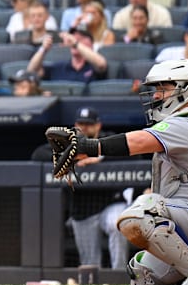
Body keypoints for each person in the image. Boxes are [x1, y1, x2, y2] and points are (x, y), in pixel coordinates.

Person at [53, 59, 188, 285]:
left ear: (185, 87)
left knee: (140, 212)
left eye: (163, 88)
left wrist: (89, 146)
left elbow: (137, 142)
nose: (156, 95)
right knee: (143, 281)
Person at [32, 107, 131, 270]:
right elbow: (37, 155)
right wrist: (72, 156)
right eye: (81, 123)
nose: (84, 127)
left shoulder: (107, 139)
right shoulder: (69, 143)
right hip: (82, 210)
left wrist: (100, 157)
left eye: (89, 124)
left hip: (111, 203)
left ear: (98, 125)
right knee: (90, 263)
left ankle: (119, 275)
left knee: (117, 224)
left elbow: (134, 154)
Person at [26, 29, 107, 84]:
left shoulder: (93, 67)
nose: (74, 40)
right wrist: (43, 49)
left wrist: (76, 44)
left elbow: (101, 64)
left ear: (91, 44)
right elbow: (31, 71)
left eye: (81, 38)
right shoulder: (59, 67)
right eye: (74, 37)